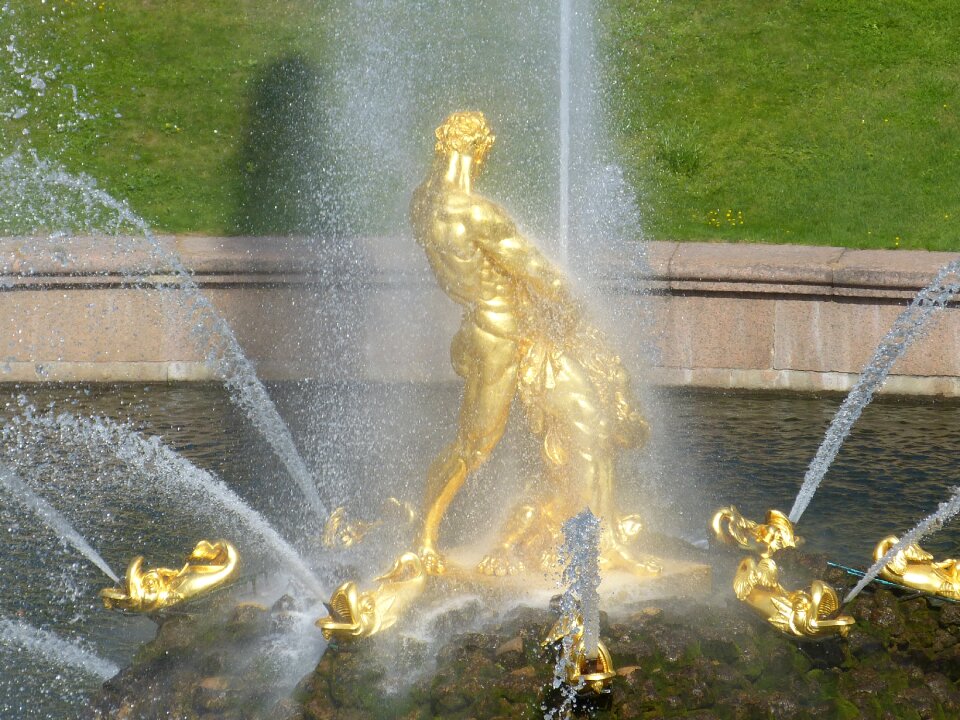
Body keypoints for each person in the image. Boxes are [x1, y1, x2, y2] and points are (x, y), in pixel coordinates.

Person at [410, 111, 656, 577]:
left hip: (507, 333)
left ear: (443, 146)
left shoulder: (421, 205)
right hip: (502, 337)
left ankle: (600, 541)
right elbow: (540, 272)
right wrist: (580, 304)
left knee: (588, 420)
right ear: (480, 150)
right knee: (475, 445)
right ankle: (423, 539)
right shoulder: (478, 214)